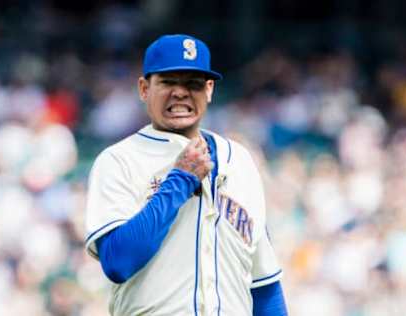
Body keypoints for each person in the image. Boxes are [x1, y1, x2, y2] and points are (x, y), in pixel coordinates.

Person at [84, 34, 287, 316]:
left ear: (209, 90)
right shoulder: (119, 160)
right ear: (144, 88)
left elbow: (264, 284)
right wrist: (179, 180)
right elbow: (118, 261)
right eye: (168, 82)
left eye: (192, 83)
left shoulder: (240, 161)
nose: (180, 92)